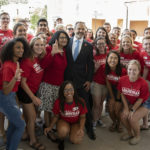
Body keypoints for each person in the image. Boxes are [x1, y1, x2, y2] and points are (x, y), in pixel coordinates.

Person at [64, 21, 95, 140]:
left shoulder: (89, 45)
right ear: (74, 29)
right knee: (66, 103)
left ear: (85, 31)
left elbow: (90, 65)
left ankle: (89, 128)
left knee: (85, 104)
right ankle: (64, 129)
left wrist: (89, 80)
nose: (81, 31)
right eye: (79, 28)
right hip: (67, 80)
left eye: (83, 29)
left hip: (82, 81)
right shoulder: (67, 42)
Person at [0, 37, 31, 150]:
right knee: (21, 125)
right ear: (11, 50)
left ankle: (10, 147)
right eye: (18, 47)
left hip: (11, 97)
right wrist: (15, 77)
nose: (21, 50)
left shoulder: (15, 63)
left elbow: (12, 90)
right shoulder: (8, 66)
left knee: (14, 123)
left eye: (22, 47)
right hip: (5, 98)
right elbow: (6, 90)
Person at [17, 37, 45, 150]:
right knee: (32, 117)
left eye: (42, 45)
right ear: (32, 46)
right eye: (37, 45)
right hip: (25, 93)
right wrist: (33, 97)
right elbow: (23, 83)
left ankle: (25, 134)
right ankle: (33, 141)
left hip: (32, 91)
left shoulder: (37, 59)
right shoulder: (27, 61)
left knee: (28, 117)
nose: (40, 47)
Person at [38, 31, 69, 131]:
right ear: (56, 38)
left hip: (59, 85)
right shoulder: (49, 48)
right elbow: (42, 65)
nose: (64, 39)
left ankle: (51, 126)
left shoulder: (64, 51)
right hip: (48, 85)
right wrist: (52, 53)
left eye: (65, 38)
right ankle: (47, 128)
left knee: (55, 109)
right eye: (61, 37)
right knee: (47, 109)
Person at [44, 81, 87, 150]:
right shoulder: (58, 102)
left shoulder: (80, 101)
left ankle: (72, 132)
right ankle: (61, 140)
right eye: (65, 90)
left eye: (71, 89)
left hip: (75, 123)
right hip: (63, 121)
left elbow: (83, 117)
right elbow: (56, 116)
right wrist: (50, 127)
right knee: (63, 131)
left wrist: (81, 128)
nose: (69, 92)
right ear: (62, 92)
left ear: (74, 90)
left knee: (76, 140)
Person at [118, 60, 150, 145]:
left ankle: (137, 136)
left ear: (139, 71)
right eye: (130, 69)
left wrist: (132, 110)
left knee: (132, 118)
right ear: (127, 69)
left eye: (135, 70)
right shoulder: (122, 79)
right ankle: (130, 133)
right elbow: (122, 94)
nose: (131, 72)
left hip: (144, 102)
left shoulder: (143, 83)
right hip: (131, 100)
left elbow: (141, 99)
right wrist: (125, 108)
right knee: (123, 116)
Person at [105, 51, 126, 132]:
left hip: (121, 91)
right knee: (110, 109)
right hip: (112, 90)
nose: (113, 60)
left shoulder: (123, 71)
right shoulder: (105, 68)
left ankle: (120, 123)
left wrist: (117, 100)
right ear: (107, 59)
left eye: (115, 58)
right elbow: (108, 83)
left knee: (117, 109)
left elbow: (121, 86)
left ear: (118, 60)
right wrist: (112, 98)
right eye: (111, 58)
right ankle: (114, 122)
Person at [91, 37, 107, 130]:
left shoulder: (108, 55)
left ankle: (98, 119)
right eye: (99, 44)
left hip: (106, 83)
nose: (101, 45)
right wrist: (96, 68)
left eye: (102, 43)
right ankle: (94, 120)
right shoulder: (94, 57)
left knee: (101, 103)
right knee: (96, 104)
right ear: (96, 45)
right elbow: (90, 73)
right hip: (96, 83)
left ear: (105, 44)